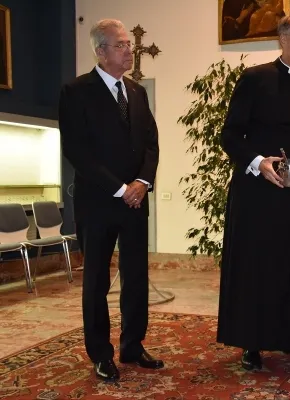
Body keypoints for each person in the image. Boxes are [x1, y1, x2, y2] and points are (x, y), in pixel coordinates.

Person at [217, 13, 290, 370]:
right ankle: (253, 342)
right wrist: (258, 162)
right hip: (257, 191)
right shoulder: (254, 78)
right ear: (282, 39)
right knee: (257, 265)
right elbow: (230, 135)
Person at [58, 19, 162, 382]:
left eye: (128, 46)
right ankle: (101, 354)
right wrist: (120, 188)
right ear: (100, 51)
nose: (129, 50)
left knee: (136, 276)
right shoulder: (76, 91)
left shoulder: (137, 92)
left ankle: (133, 346)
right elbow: (77, 151)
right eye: (121, 45)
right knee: (97, 281)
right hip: (98, 202)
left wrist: (143, 182)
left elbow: (151, 142)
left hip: (136, 200)